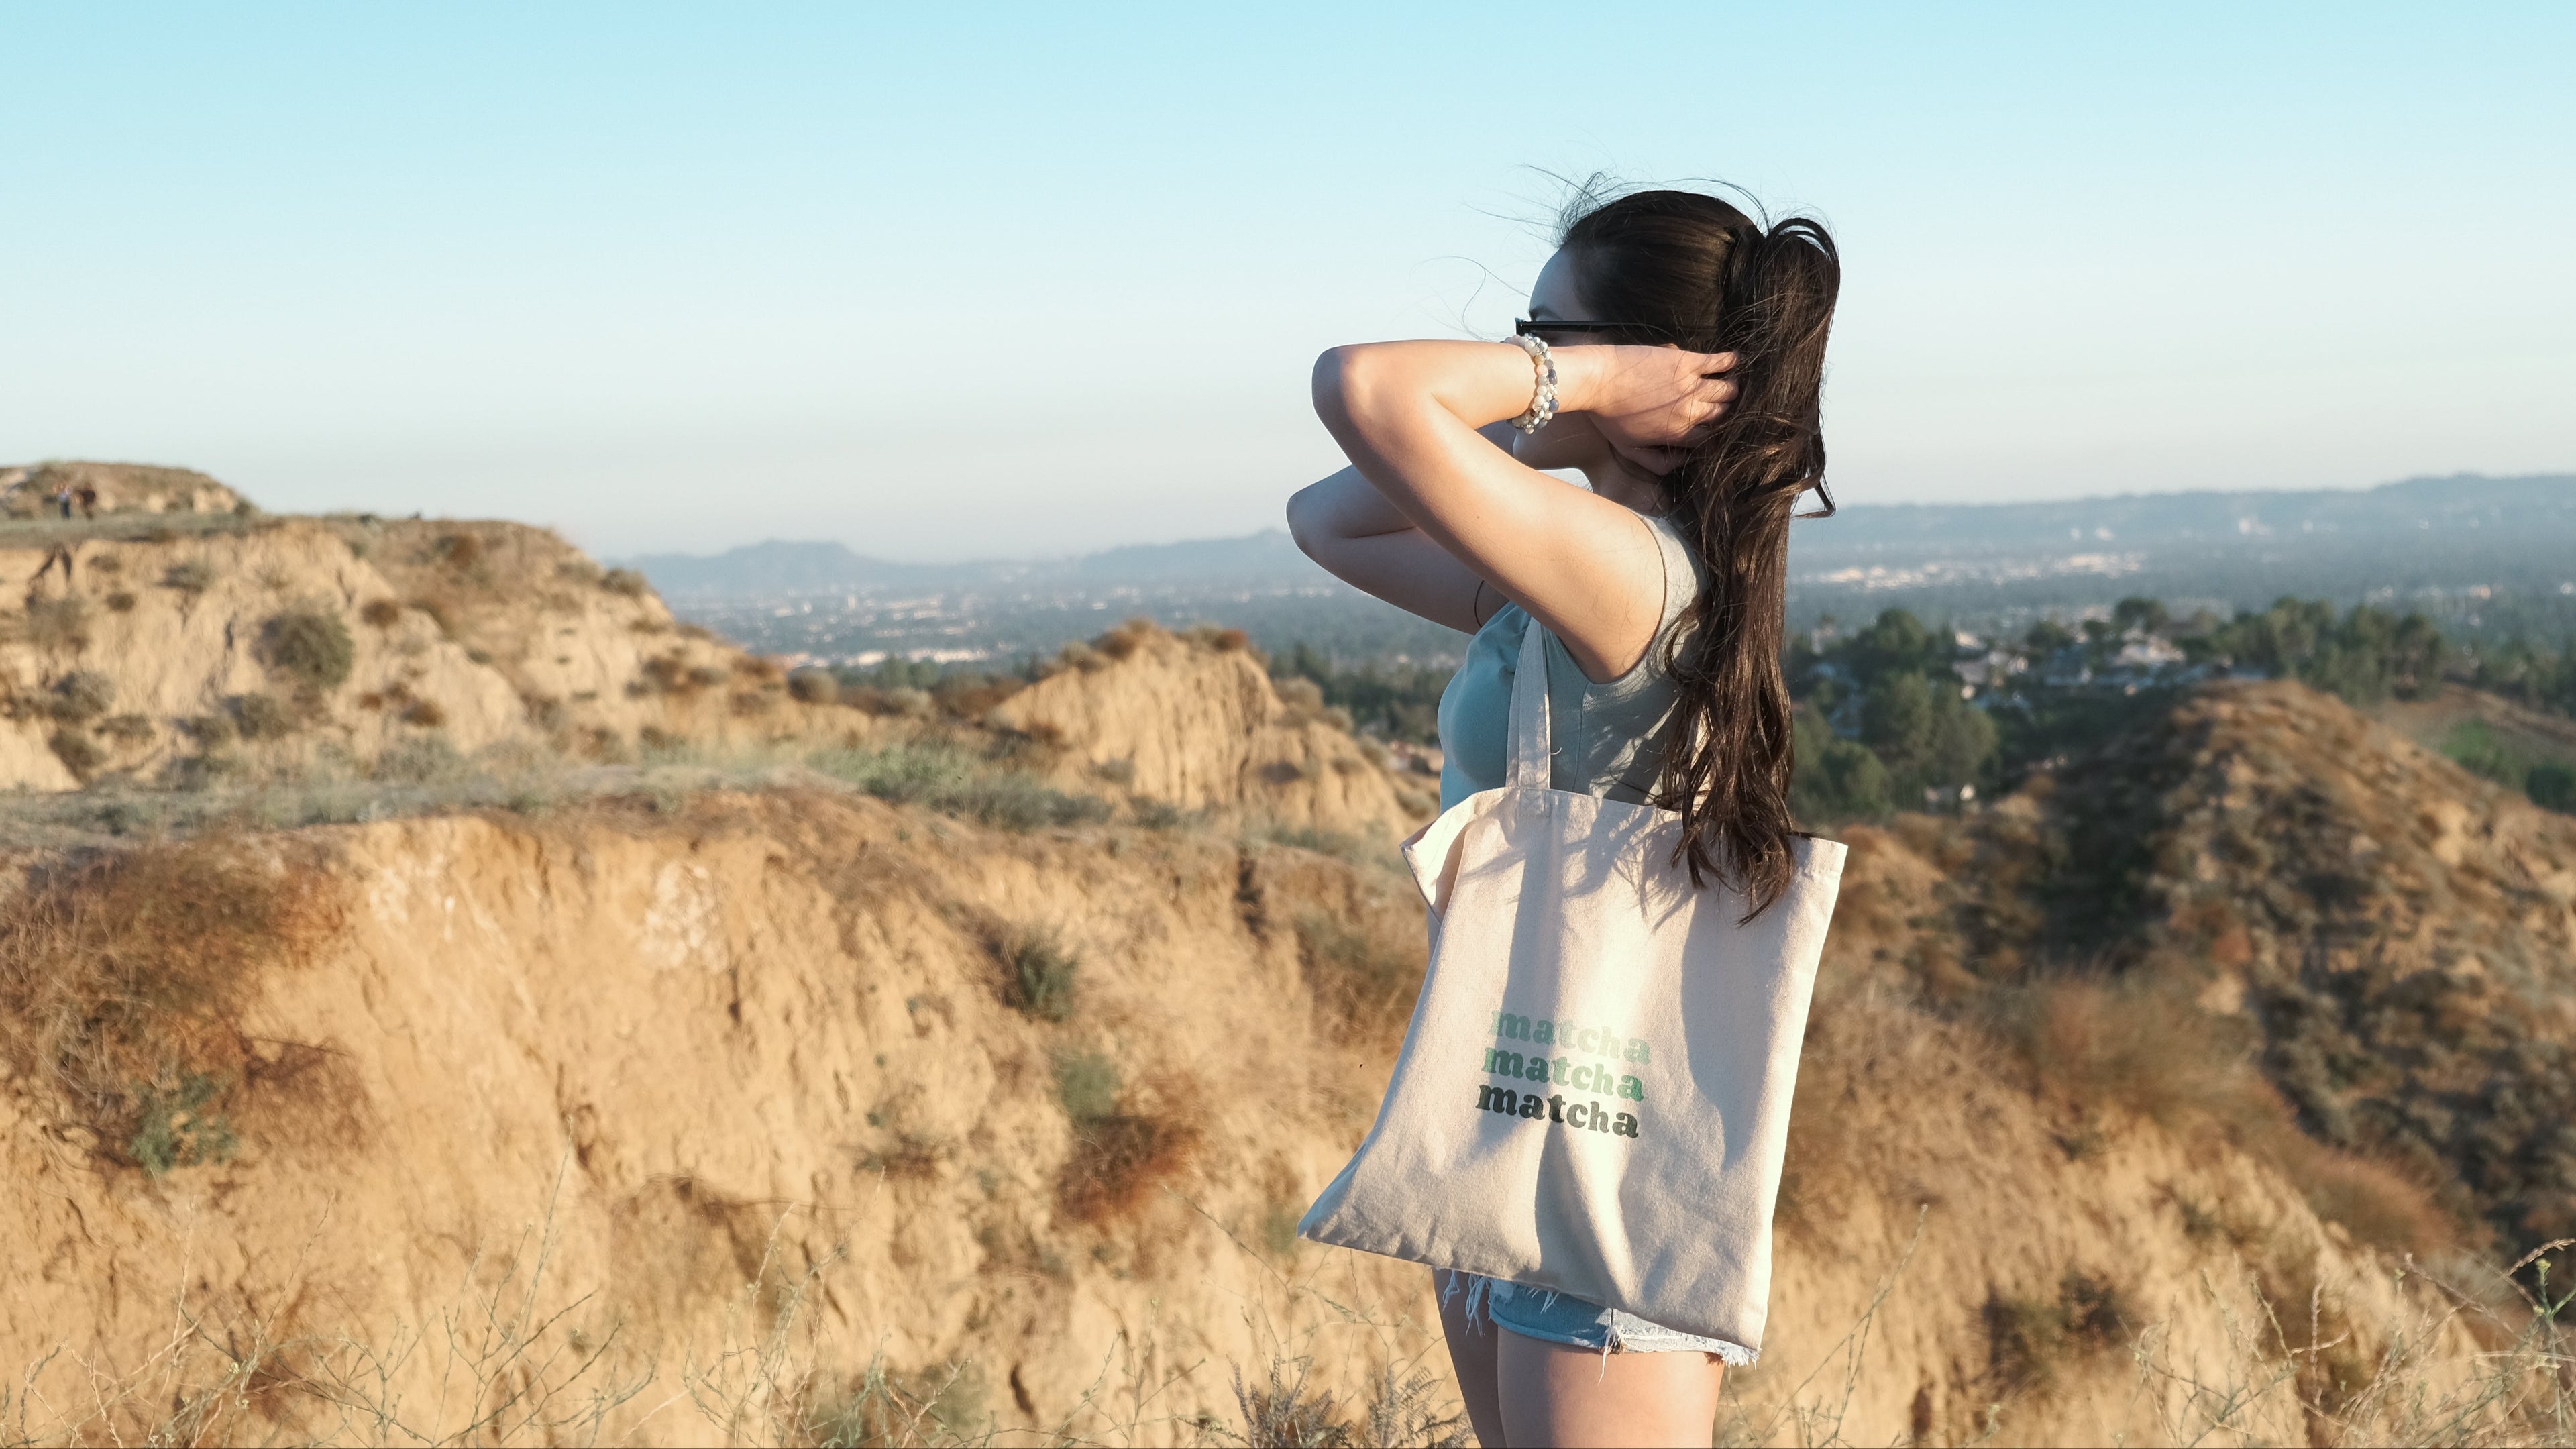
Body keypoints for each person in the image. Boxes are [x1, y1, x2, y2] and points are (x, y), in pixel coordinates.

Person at [1285, 184, 1837, 1448]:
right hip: (1511, 1118)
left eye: (1552, 333)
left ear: (1643, 360)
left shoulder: (1627, 575)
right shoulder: (1570, 568)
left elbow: (1365, 390)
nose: (1530, 361)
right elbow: (1329, 518)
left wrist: (1580, 388)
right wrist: (1591, 407)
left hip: (1595, 1158)